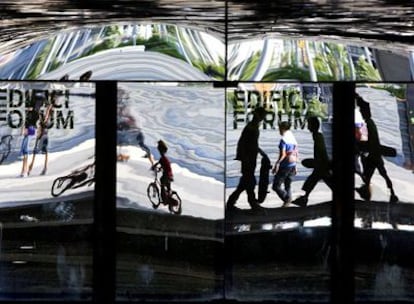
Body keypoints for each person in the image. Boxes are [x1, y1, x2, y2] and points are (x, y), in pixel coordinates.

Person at [356, 98, 398, 203]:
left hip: (372, 156)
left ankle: (391, 194)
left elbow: (371, 141)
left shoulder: (369, 124)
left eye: (362, 111)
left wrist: (362, 150)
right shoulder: (370, 123)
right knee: (381, 175)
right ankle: (391, 193)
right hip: (374, 155)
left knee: (378, 175)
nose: (361, 113)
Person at [226, 106, 267, 211]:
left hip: (251, 159)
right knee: (250, 182)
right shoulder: (250, 127)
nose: (263, 117)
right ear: (257, 114)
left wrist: (261, 153)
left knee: (245, 183)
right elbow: (242, 144)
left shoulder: (254, 126)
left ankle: (231, 203)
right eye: (262, 115)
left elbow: (253, 144)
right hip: (248, 159)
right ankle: (253, 204)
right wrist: (244, 158)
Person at [293, 116, 333, 207]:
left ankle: (304, 199)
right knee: (312, 181)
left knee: (315, 181)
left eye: (309, 125)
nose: (308, 127)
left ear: (313, 126)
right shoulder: (317, 136)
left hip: (321, 165)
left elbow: (322, 151)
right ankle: (304, 198)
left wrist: (323, 164)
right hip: (320, 165)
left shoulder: (318, 137)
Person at [28, 91, 55, 176]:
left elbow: (47, 115)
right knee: (38, 149)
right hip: (42, 127)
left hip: (44, 127)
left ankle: (44, 167)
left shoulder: (46, 105)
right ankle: (33, 167)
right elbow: (41, 113)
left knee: (43, 148)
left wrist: (46, 116)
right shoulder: (41, 105)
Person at [272, 121, 298, 207]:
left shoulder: (283, 140)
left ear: (283, 129)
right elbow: (296, 152)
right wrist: (295, 166)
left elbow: (283, 154)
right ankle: (288, 203)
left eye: (279, 129)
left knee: (276, 186)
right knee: (288, 185)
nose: (279, 131)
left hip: (285, 166)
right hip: (292, 164)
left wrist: (277, 164)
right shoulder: (293, 139)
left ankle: (286, 199)